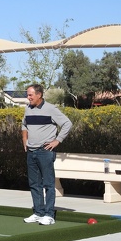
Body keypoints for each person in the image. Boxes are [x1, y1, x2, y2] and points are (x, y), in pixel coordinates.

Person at [21, 84, 72, 225]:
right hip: (31, 152)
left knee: (48, 184)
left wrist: (57, 141)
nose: (28, 97)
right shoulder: (27, 109)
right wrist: (24, 139)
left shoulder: (51, 109)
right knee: (34, 184)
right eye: (28, 94)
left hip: (45, 152)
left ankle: (49, 215)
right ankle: (38, 212)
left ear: (39, 95)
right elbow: (24, 124)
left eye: (30, 95)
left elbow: (67, 124)